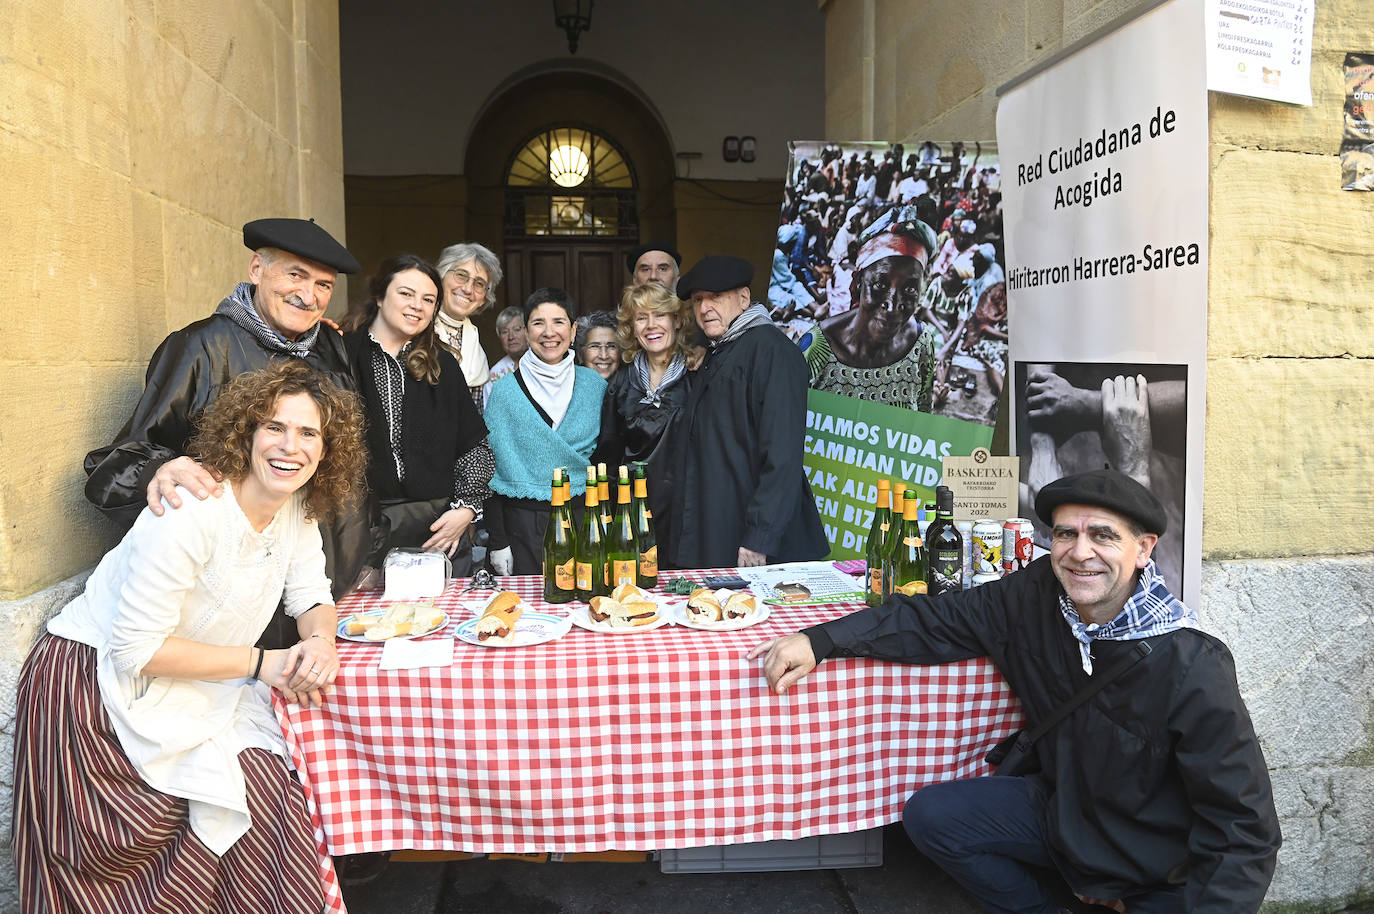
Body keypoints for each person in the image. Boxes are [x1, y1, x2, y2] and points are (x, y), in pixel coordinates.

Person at [749, 469, 1281, 913]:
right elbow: (937, 619)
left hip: (1150, 864)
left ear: (1143, 550)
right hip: (1065, 813)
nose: (1080, 553)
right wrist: (821, 639)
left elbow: (1243, 829)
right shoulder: (1037, 592)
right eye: (1067, 535)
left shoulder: (1193, 664)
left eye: (1103, 536)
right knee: (933, 818)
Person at [15, 361, 368, 913]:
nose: (290, 445)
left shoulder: (296, 506)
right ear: (247, 431)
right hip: (95, 692)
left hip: (194, 684)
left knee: (271, 795)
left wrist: (321, 640)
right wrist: (261, 665)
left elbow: (310, 596)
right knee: (140, 869)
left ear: (328, 450)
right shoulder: (191, 510)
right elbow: (137, 649)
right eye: (274, 426)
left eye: (308, 433)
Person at [83, 217, 371, 601]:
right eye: (295, 276)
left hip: (321, 586)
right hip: (235, 597)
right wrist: (160, 469)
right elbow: (117, 463)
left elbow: (343, 457)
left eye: (323, 285)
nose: (308, 295)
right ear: (256, 269)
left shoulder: (330, 347)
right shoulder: (199, 347)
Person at [669, 255, 828, 568]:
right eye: (698, 300)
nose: (703, 309)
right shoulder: (721, 349)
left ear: (744, 299)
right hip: (715, 532)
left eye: (716, 297)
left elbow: (782, 456)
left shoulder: (773, 352)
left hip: (754, 543)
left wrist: (759, 538)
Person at [339, 254, 493, 571]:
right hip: (357, 529)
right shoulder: (341, 355)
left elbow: (475, 447)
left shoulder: (443, 364)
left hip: (439, 528)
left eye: (428, 299)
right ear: (380, 295)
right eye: (406, 293)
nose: (417, 306)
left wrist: (466, 510)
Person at [484, 288, 607, 575]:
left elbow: (608, 463)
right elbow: (490, 470)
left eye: (559, 322)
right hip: (522, 525)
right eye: (538, 323)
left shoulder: (596, 387)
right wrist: (498, 541)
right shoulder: (504, 392)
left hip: (585, 518)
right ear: (526, 331)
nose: (549, 332)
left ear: (574, 330)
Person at [592, 283, 694, 566]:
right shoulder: (620, 383)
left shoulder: (698, 377)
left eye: (659, 315)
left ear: (675, 320)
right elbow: (608, 458)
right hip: (632, 512)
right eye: (640, 317)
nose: (651, 325)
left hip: (685, 514)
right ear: (631, 328)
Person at [800, 204, 938, 412]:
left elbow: (922, 418)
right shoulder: (817, 348)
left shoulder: (921, 344)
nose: (892, 306)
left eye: (910, 289)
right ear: (857, 283)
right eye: (880, 285)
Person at [435, 242, 503, 411]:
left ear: (483, 299)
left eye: (479, 283)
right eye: (461, 275)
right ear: (440, 278)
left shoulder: (477, 351)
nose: (467, 289)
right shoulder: (415, 331)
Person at [483, 305, 527, 401]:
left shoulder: (543, 361)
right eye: (505, 332)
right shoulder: (495, 374)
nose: (511, 337)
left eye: (517, 329)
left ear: (528, 331)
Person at [575, 310, 622, 380]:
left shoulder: (632, 386)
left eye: (611, 346)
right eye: (594, 346)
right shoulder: (569, 387)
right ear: (580, 355)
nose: (604, 356)